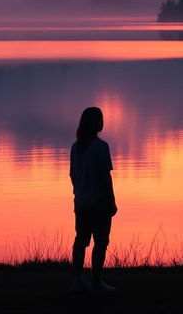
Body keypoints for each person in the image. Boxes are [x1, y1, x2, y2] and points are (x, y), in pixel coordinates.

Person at [69, 106, 118, 295]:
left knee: (81, 240)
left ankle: (77, 279)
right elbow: (106, 177)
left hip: (81, 203)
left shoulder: (75, 147)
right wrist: (111, 201)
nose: (102, 121)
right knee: (100, 242)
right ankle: (96, 282)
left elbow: (72, 175)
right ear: (96, 123)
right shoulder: (101, 146)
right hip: (99, 203)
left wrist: (78, 192)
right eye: (100, 119)